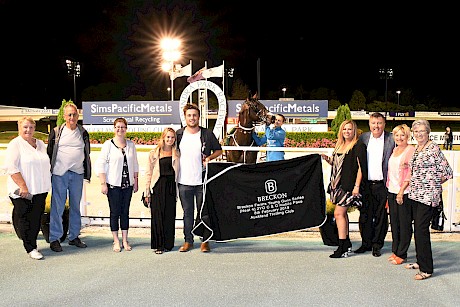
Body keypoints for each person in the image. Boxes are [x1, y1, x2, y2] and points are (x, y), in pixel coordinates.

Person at [405, 119, 452, 280]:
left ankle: (426, 269)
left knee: (421, 230)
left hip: (428, 197)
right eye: (416, 131)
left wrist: (433, 184)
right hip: (415, 195)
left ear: (428, 132)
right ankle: (420, 260)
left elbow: (448, 172)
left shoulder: (433, 149)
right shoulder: (418, 148)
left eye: (422, 131)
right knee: (418, 230)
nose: (419, 134)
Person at [176, 103, 223, 253]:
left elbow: (219, 150)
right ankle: (188, 241)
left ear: (198, 117)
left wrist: (209, 158)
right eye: (189, 115)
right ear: (185, 117)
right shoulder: (179, 134)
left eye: (194, 115)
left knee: (204, 213)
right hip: (184, 181)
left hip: (202, 181)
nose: (192, 118)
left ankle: (205, 241)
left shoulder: (207, 134)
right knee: (187, 213)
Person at [47, 102, 91, 252]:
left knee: (75, 208)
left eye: (74, 114)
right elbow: (49, 152)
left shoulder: (83, 132)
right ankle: (54, 238)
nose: (72, 117)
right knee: (57, 207)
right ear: (64, 116)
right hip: (60, 174)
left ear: (78, 115)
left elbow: (86, 153)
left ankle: (73, 237)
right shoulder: (57, 131)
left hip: (77, 174)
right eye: (69, 114)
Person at [5, 117, 51, 260]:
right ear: (19, 127)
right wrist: (23, 186)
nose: (28, 130)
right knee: (25, 219)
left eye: (31, 127)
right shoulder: (15, 144)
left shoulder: (40, 144)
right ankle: (30, 248)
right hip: (23, 191)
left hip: (40, 190)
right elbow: (11, 168)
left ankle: (33, 244)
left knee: (36, 218)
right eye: (25, 127)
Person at [321, 120, 367, 258]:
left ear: (354, 131)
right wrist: (328, 160)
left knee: (338, 214)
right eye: (345, 129)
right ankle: (346, 244)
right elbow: (338, 164)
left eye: (350, 129)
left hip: (348, 186)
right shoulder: (339, 145)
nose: (347, 131)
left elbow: (361, 168)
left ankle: (343, 246)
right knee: (342, 215)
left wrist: (356, 187)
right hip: (336, 185)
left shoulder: (358, 146)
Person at [96, 118, 139, 252]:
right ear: (114, 128)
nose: (120, 129)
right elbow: (100, 164)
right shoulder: (108, 145)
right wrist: (103, 183)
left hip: (128, 185)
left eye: (123, 127)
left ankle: (125, 240)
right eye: (117, 127)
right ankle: (116, 241)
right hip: (113, 186)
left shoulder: (131, 145)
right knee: (115, 213)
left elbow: (135, 164)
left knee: (125, 212)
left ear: (126, 129)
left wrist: (136, 181)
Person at [356, 112, 395, 257]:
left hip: (383, 185)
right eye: (373, 123)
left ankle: (377, 245)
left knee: (381, 217)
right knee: (365, 215)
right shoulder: (364, 138)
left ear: (384, 124)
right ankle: (366, 243)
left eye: (379, 123)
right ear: (369, 124)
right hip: (366, 184)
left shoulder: (391, 139)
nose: (376, 126)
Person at [144, 127, 180, 254]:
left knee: (170, 215)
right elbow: (148, 173)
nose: (170, 139)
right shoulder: (154, 153)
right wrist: (147, 192)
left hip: (171, 187)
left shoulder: (177, 153)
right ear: (163, 138)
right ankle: (159, 245)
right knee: (157, 216)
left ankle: (168, 244)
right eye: (168, 137)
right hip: (158, 186)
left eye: (172, 137)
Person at [386, 124, 415, 265]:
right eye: (397, 135)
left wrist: (402, 191)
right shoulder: (395, 149)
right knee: (395, 223)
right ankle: (395, 251)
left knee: (404, 224)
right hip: (391, 191)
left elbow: (410, 173)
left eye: (402, 135)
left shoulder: (410, 150)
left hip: (404, 192)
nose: (399, 137)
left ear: (407, 136)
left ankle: (402, 253)